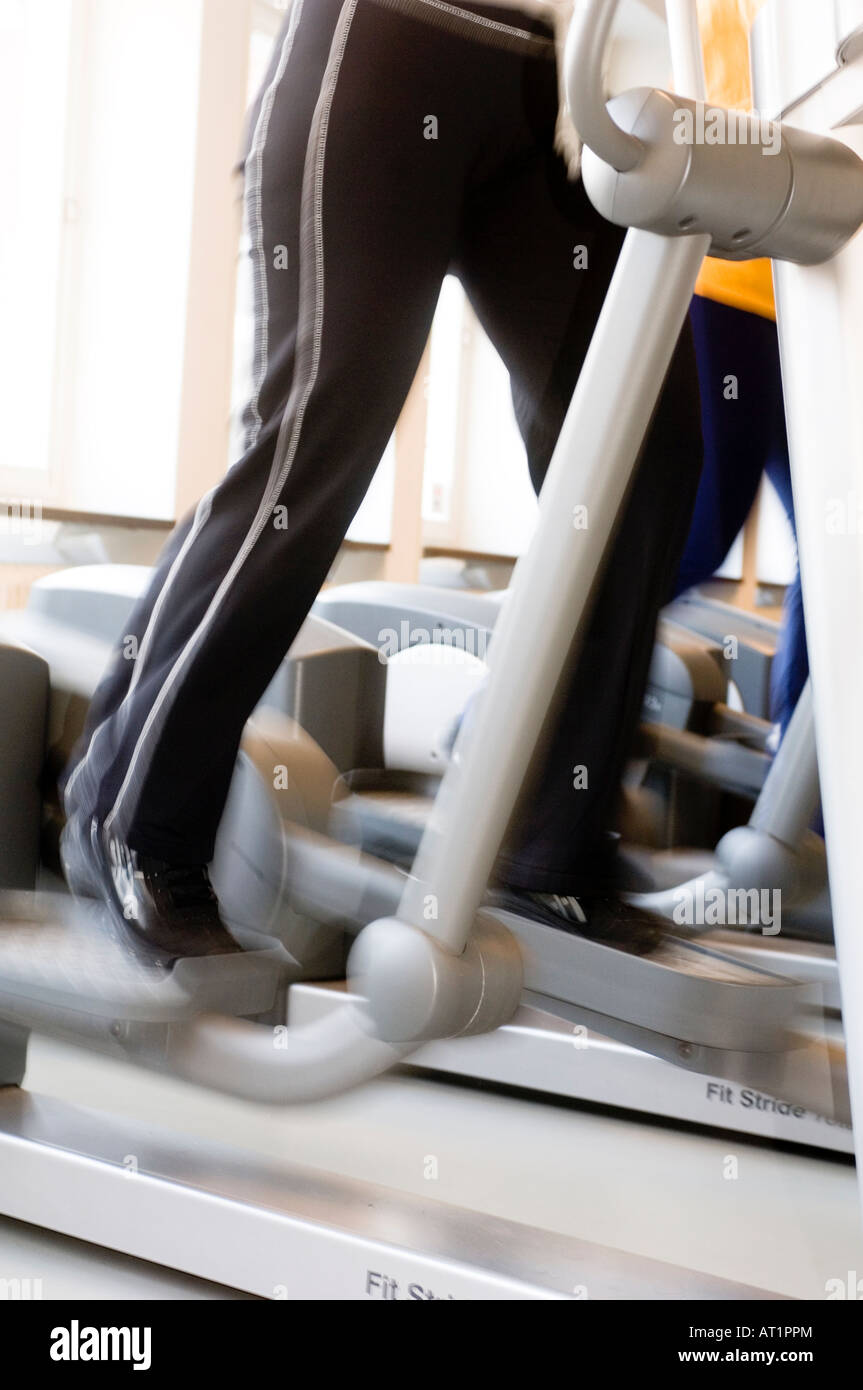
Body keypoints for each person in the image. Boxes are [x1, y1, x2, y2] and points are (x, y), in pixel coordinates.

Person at [61, 0, 702, 963]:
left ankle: (553, 852)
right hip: (391, 45)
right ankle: (132, 817)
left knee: (640, 444)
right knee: (314, 449)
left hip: (568, 84)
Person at [673, 0, 808, 737]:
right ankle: (499, 719)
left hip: (816, 298)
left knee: (837, 545)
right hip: (726, 285)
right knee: (695, 536)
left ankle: (807, 794)